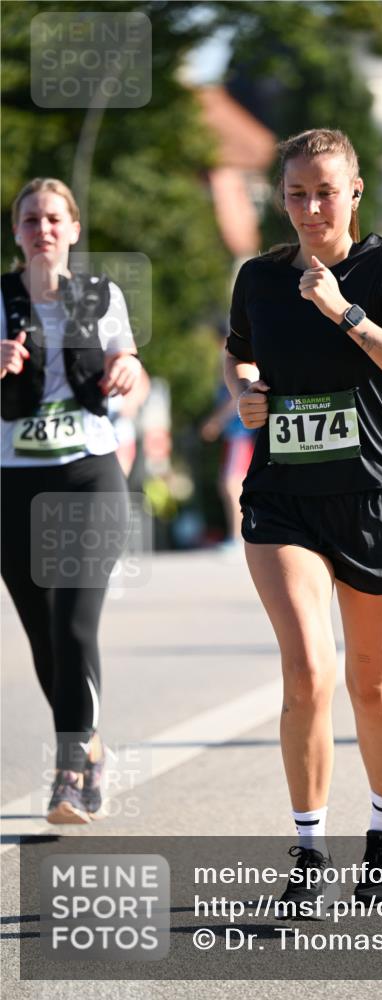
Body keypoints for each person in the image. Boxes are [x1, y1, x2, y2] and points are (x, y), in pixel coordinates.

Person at [224, 129, 382, 913]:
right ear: (280, 199)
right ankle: (308, 855)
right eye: (295, 193)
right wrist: (245, 387)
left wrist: (345, 312)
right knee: (309, 672)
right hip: (284, 496)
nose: (310, 207)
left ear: (353, 193)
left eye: (324, 191)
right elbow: (239, 354)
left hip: (374, 498)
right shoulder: (257, 278)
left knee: (371, 683)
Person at [1, 178, 141, 823]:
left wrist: (126, 370)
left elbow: (128, 362)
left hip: (89, 475)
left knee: (74, 621)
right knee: (44, 640)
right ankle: (91, 746)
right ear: (17, 232)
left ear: (74, 229)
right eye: (31, 219)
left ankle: (69, 773)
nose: (43, 229)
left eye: (54, 218)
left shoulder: (101, 295)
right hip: (15, 484)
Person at [200, 342, 256, 553]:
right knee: (229, 485)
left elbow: (236, 400)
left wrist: (215, 422)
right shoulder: (225, 365)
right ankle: (237, 535)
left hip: (240, 435)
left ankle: (238, 537)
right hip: (234, 436)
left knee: (231, 485)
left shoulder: (240, 362)